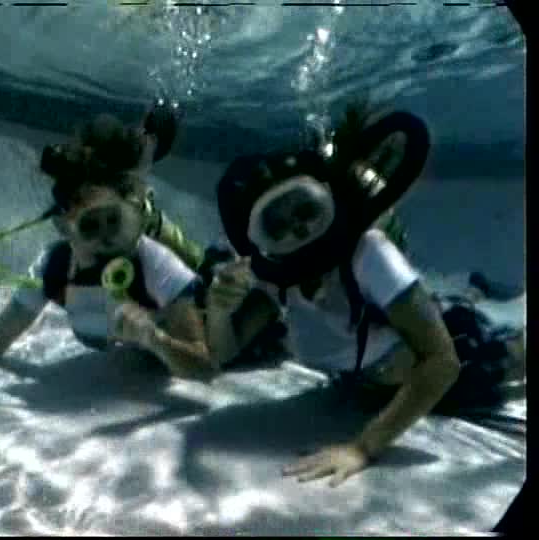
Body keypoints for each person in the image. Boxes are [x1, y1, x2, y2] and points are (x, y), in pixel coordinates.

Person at [205, 101, 526, 486]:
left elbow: (442, 361)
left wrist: (363, 448)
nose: (299, 229)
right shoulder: (275, 280)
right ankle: (475, 290)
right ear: (259, 238)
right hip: (377, 385)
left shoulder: (367, 252)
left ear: (324, 199)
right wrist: (218, 311)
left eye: (305, 209)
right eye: (276, 224)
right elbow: (223, 352)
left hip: (457, 355)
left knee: (519, 357)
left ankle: (477, 296)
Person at [0, 109, 221, 398]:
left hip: (198, 299)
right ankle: (141, 155)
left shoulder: (154, 260)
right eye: (90, 226)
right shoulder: (55, 267)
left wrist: (154, 338)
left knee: (203, 268)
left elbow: (203, 367)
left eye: (113, 221)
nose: (107, 238)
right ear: (65, 228)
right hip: (125, 210)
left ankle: (150, 144)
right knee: (122, 183)